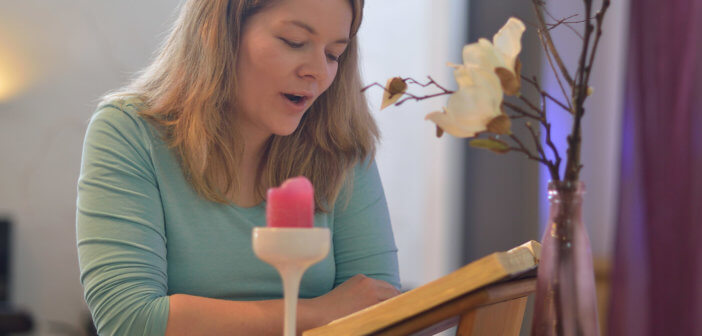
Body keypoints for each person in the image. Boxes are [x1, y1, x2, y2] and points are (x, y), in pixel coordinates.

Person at [75, 0, 401, 334]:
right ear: (218, 31)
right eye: (293, 41)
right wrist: (318, 312)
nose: (318, 71)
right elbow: (128, 322)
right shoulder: (129, 131)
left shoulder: (341, 148)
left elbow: (376, 310)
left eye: (333, 54)